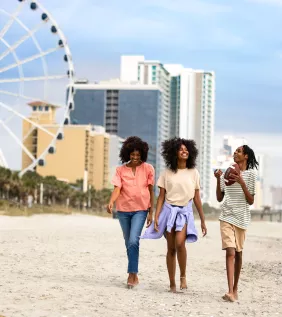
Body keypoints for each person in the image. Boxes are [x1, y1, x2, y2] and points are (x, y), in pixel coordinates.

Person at [142, 138, 207, 292]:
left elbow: (197, 197)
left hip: (184, 212)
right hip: (168, 211)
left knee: (180, 243)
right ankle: (172, 283)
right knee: (171, 248)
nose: (184, 151)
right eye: (180, 149)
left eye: (186, 149)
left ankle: (183, 276)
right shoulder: (166, 173)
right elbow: (161, 197)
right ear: (174, 153)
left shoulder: (194, 172)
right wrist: (157, 216)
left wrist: (203, 220)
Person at [107, 136, 155, 289]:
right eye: (132, 154)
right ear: (127, 153)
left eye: (138, 155)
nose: (135, 157)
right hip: (123, 211)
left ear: (142, 154)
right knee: (129, 243)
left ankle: (131, 273)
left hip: (140, 209)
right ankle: (134, 275)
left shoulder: (148, 168)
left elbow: (150, 190)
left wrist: (150, 211)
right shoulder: (120, 170)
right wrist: (111, 201)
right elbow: (117, 188)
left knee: (134, 240)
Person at [214, 145, 258, 302]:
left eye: (239, 151)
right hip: (226, 216)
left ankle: (235, 289)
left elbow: (251, 200)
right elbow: (219, 198)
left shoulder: (251, 174)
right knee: (230, 252)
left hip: (242, 218)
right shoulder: (227, 173)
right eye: (235, 151)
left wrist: (242, 183)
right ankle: (230, 290)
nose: (235, 153)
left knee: (238, 253)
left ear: (246, 156)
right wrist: (218, 179)